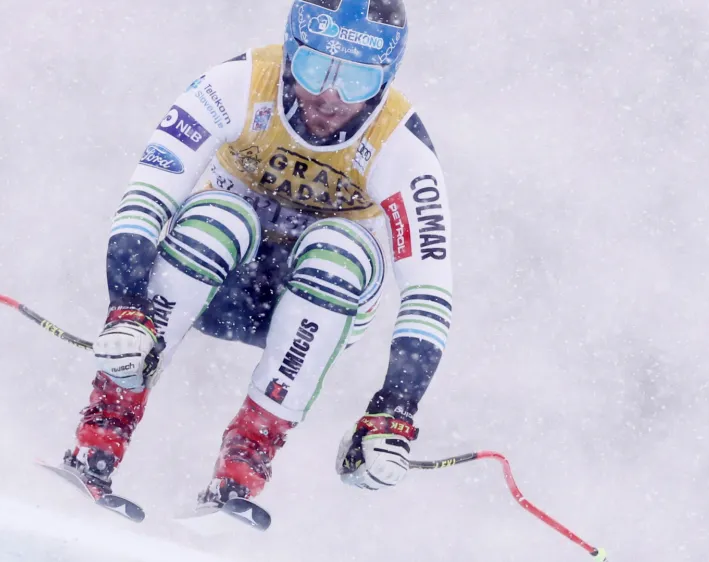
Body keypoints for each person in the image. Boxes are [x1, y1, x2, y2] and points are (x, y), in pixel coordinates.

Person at [67, 0, 452, 507]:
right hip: (210, 277)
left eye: (356, 80)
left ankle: (243, 466)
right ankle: (101, 434)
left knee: (339, 247)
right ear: (291, 54)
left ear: (385, 79)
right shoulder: (238, 85)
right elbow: (145, 202)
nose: (329, 96)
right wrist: (126, 308)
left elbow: (428, 298)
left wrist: (394, 411)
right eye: (314, 68)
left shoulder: (401, 144)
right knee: (220, 217)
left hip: (322, 306)